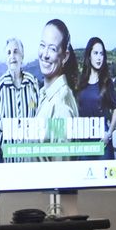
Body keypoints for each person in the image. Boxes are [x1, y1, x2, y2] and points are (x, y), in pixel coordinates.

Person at [0, 36, 39, 161]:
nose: (12, 56)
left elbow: (37, 112)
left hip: (27, 153)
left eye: (16, 51)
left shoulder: (32, 82)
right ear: (6, 59)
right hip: (6, 153)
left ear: (22, 56)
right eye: (9, 53)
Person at [33, 18, 79, 150]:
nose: (45, 54)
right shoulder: (45, 95)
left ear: (65, 56)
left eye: (52, 49)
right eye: (42, 45)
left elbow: (61, 168)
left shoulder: (61, 107)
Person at [76, 36, 116, 158]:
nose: (99, 57)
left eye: (101, 54)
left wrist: (109, 133)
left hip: (102, 142)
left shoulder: (107, 82)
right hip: (84, 141)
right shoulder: (81, 82)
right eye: (95, 53)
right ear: (89, 56)